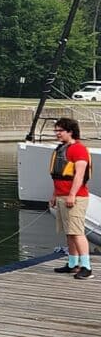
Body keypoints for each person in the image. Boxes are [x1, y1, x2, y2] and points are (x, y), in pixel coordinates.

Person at [50, 117, 92, 279]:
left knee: (77, 232)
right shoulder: (62, 149)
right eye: (56, 130)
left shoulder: (78, 149)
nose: (57, 134)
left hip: (75, 197)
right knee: (69, 233)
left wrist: (72, 195)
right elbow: (58, 177)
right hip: (61, 196)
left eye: (60, 131)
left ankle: (86, 267)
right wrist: (54, 195)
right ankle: (73, 264)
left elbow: (79, 175)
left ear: (70, 131)